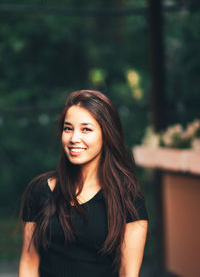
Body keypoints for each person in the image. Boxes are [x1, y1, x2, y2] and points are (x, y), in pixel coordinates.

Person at [19, 89, 148, 277]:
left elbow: (128, 272)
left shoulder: (127, 197)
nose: (74, 138)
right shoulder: (40, 190)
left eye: (86, 129)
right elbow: (29, 263)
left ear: (107, 134)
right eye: (68, 128)